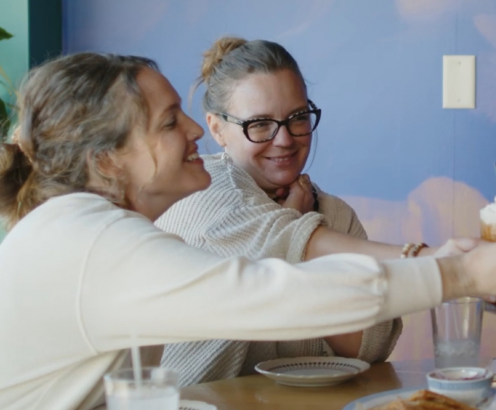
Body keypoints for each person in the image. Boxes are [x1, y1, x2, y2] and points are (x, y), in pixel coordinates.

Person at [0, 52, 496, 410]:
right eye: (169, 121)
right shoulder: (90, 243)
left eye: (296, 119)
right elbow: (272, 294)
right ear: (107, 159)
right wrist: (459, 273)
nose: (195, 127)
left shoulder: (82, 232)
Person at [153, 37, 421, 386]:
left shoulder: (335, 214)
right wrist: (297, 221)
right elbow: (271, 249)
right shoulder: (202, 191)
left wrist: (300, 226)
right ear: (217, 129)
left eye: (297, 118)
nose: (285, 140)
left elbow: (371, 344)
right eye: (260, 124)